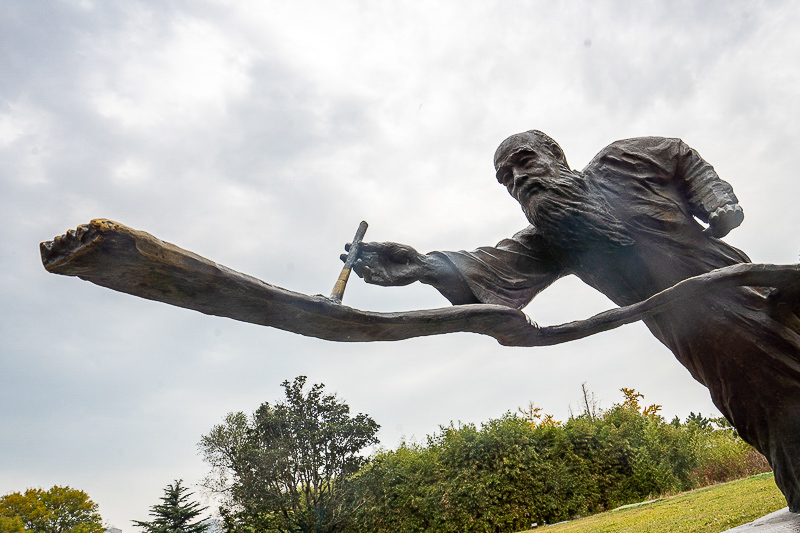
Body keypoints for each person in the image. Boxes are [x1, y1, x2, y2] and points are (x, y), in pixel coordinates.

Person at [347, 130, 800, 510]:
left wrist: (715, 197)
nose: (519, 178)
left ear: (555, 156)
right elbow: (486, 268)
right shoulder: (550, 239)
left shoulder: (621, 162)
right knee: (759, 415)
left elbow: (680, 154)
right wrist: (421, 266)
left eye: (524, 162)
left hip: (749, 297)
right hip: (697, 341)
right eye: (507, 179)